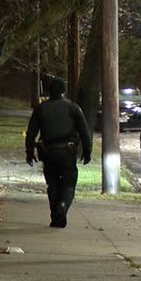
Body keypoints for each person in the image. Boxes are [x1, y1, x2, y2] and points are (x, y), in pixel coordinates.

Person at [25, 77, 92, 227]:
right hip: (67, 151)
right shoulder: (73, 108)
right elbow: (84, 131)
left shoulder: (41, 109)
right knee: (69, 183)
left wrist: (30, 152)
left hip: (48, 152)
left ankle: (55, 213)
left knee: (52, 183)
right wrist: (87, 151)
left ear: (49, 91)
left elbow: (31, 133)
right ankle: (63, 205)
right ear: (64, 90)